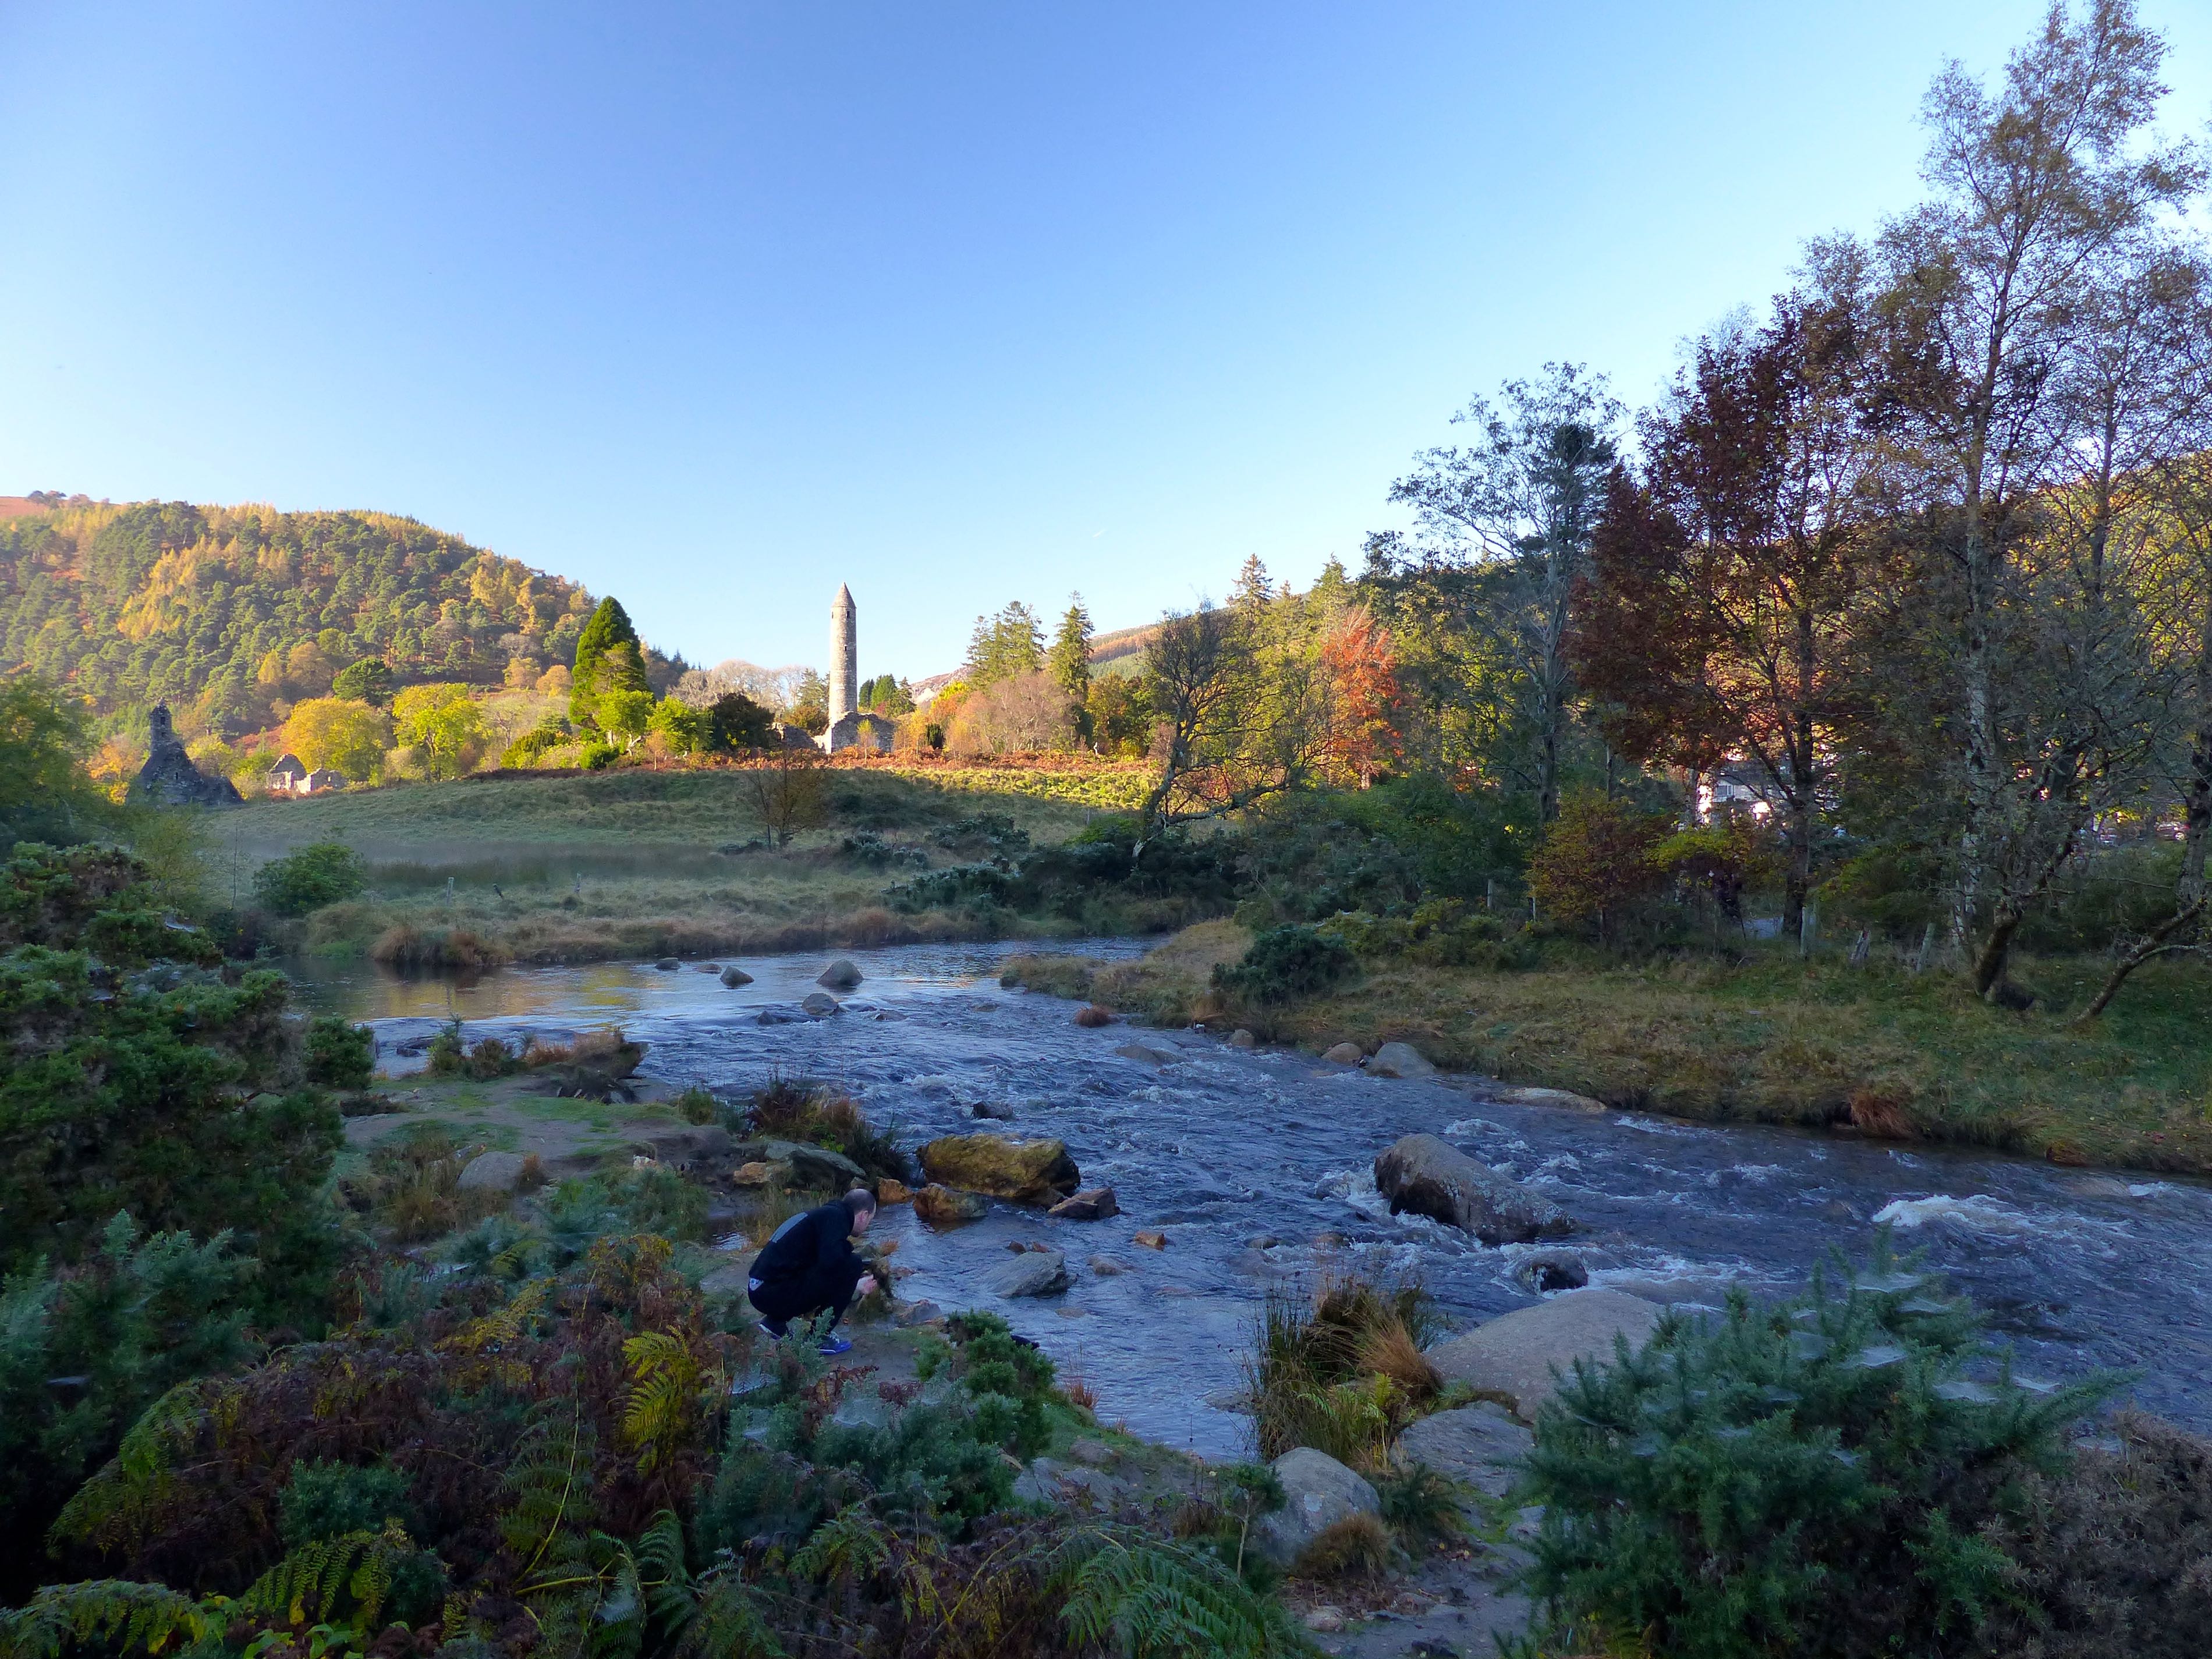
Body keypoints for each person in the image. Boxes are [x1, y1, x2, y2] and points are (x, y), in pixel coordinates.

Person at [747, 1187, 879, 1355]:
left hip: (761, 1288)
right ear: (863, 1215)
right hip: (769, 1292)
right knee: (853, 1264)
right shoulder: (836, 1218)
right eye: (870, 1220)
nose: (868, 1226)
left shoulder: (828, 1215)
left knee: (846, 1262)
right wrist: (855, 1283)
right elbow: (831, 1264)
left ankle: (774, 1323)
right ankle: (820, 1336)